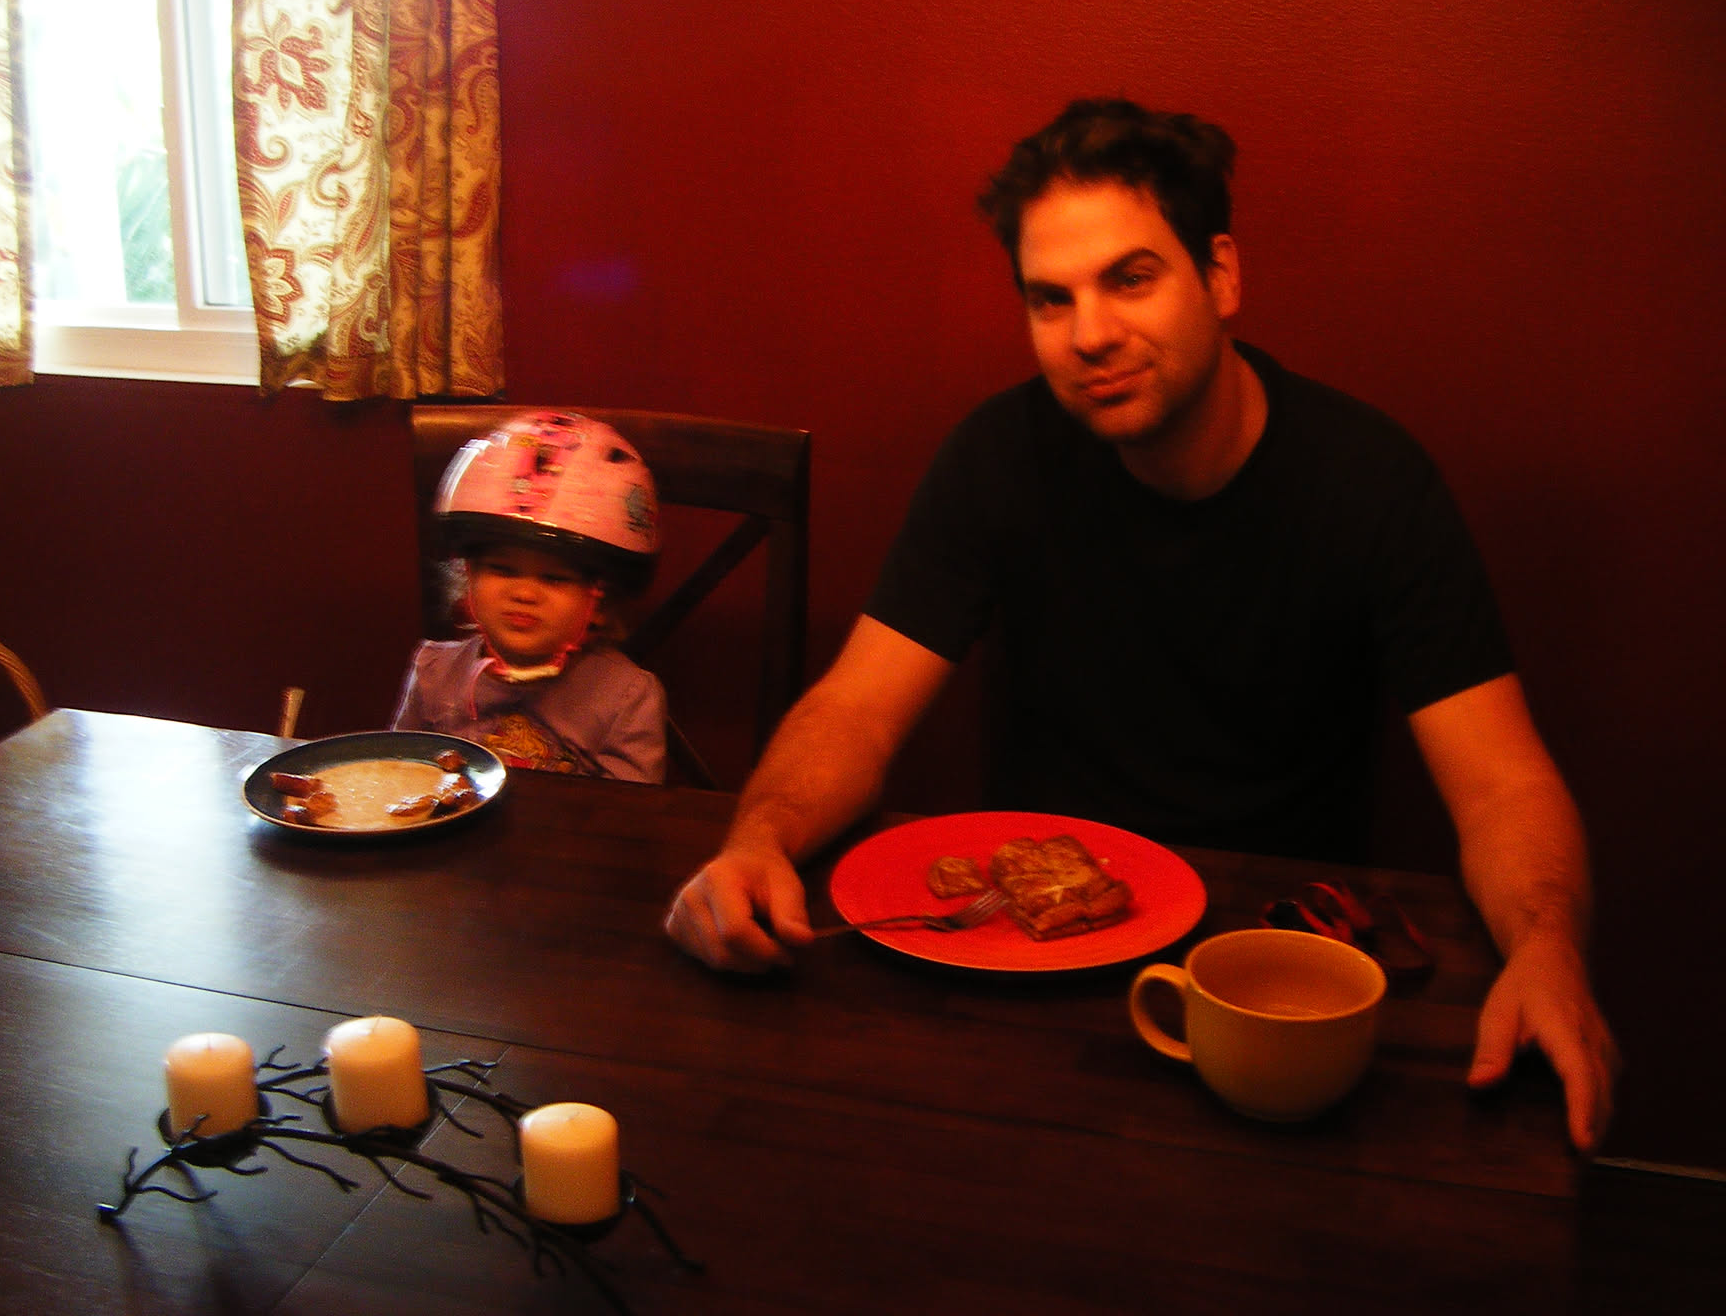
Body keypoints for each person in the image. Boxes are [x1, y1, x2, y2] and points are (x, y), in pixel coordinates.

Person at [664, 98, 1618, 1151]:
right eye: (1051, 298)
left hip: (1269, 983)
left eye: (1130, 279)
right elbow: (856, 709)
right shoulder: (997, 455)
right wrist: (757, 840)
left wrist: (1548, 950)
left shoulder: (1372, 483)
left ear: (1221, 276)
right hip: (1031, 971)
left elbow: (1503, 784)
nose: (1090, 335)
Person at [392, 411, 668, 783]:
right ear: (467, 576)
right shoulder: (433, 674)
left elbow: (629, 811)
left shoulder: (626, 699)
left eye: (554, 578)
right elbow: (401, 780)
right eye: (502, 569)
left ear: (600, 600)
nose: (523, 593)